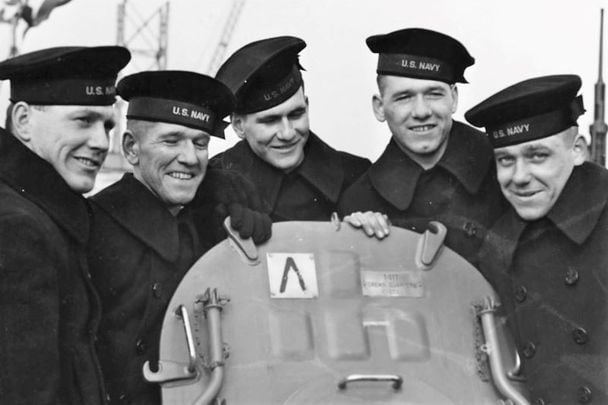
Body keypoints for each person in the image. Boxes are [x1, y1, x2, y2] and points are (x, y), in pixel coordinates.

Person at [87, 70, 271, 404]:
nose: (190, 157)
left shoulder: (217, 220)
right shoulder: (92, 226)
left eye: (200, 143)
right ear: (131, 148)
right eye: (171, 141)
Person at [466, 74, 607, 404]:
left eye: (537, 156)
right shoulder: (496, 246)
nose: (520, 177)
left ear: (577, 150)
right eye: (506, 160)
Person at [0, 46, 130, 404]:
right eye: (83, 120)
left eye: (107, 125)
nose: (102, 143)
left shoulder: (42, 213)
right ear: (23, 120)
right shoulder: (18, 228)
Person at [338, 28, 506, 266]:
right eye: (403, 97)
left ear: (454, 98)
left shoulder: (506, 165)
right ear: (379, 107)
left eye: (434, 94)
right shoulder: (360, 200)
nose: (421, 112)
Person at [211, 35, 371, 221]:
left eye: (296, 115)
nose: (287, 133)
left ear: (307, 106)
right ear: (239, 126)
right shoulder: (212, 185)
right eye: (270, 120)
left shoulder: (358, 176)